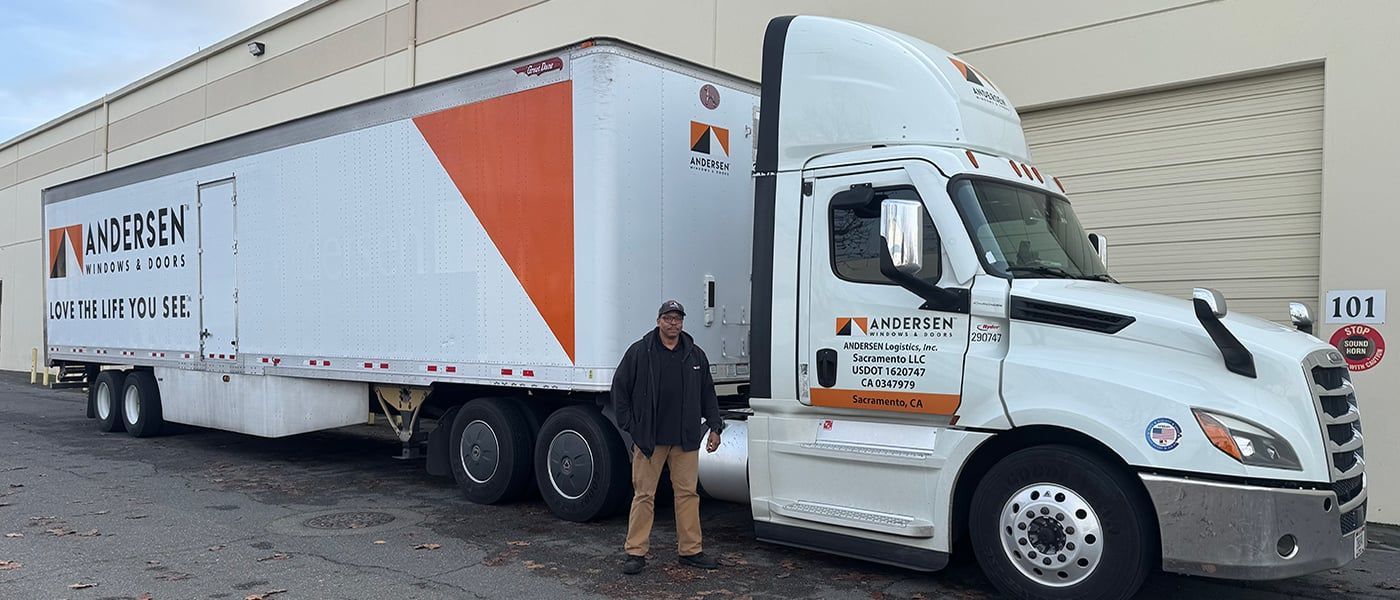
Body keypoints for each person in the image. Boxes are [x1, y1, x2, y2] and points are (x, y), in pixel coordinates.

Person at [612, 300, 725, 575]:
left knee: (687, 494)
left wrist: (715, 427)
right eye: (668, 318)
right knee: (644, 495)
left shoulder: (695, 355)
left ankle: (691, 551)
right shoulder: (641, 352)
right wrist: (631, 427)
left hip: (685, 439)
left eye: (678, 319)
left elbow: (707, 393)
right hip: (650, 440)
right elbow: (620, 388)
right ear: (659, 320)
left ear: (682, 323)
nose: (673, 324)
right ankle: (635, 553)